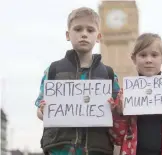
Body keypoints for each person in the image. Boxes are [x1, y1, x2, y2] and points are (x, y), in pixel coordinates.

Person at [35, 7, 120, 155]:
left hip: (97, 149)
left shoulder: (109, 74)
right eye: (78, 29)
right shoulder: (54, 70)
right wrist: (44, 111)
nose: (84, 34)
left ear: (98, 37)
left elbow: (118, 112)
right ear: (68, 35)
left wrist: (114, 108)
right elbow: (40, 111)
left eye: (90, 30)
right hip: (60, 149)